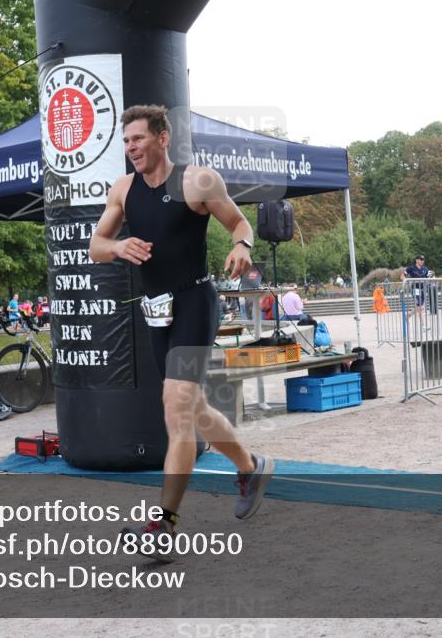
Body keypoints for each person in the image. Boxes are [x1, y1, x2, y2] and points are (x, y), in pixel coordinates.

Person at [88, 104, 273, 561]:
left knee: (175, 407)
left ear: (162, 138)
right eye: (126, 141)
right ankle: (251, 468)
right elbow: (96, 246)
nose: (130, 148)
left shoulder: (198, 181)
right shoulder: (123, 190)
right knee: (194, 407)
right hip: (157, 311)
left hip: (194, 303)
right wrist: (118, 246)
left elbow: (238, 222)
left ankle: (163, 524)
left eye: (138, 139)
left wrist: (242, 246)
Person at [402, 254, 430, 331]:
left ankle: (407, 316)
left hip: (423, 289)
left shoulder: (425, 268)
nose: (422, 261)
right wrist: (407, 281)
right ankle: (423, 326)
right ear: (417, 260)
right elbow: (402, 276)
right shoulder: (411, 268)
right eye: (421, 259)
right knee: (420, 307)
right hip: (415, 289)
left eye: (423, 260)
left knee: (419, 307)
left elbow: (428, 278)